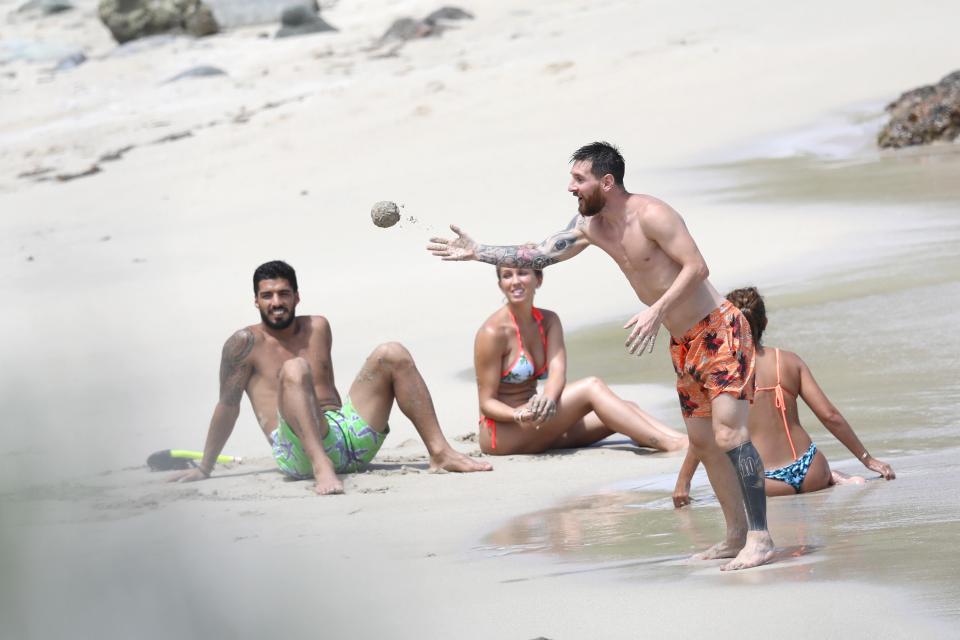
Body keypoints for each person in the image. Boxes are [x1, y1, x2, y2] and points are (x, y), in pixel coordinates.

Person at [428, 141, 774, 570]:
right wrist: (477, 252)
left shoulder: (651, 214)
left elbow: (697, 267)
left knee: (728, 436)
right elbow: (538, 253)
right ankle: (735, 535)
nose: (571, 188)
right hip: (682, 341)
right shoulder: (590, 226)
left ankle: (760, 537)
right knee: (703, 442)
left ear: (606, 182)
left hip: (719, 330)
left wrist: (656, 310)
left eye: (579, 179)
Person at [169, 260, 491, 495]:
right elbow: (228, 406)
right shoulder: (243, 344)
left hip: (347, 437)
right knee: (296, 369)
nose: (276, 302)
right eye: (267, 296)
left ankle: (440, 452)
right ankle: (322, 466)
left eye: (283, 293)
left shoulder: (318, 327)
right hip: (300, 456)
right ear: (256, 301)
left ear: (297, 296)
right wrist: (205, 467)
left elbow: (328, 392)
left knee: (392, 351)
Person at [672, 287, 895, 506]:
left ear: (727, 327)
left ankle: (835, 479)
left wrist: (683, 482)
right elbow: (830, 416)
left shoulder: (723, 373)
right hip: (811, 469)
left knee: (725, 491)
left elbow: (702, 437)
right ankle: (836, 478)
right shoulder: (787, 360)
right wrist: (867, 459)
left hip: (767, 481)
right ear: (765, 323)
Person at [475, 264, 689, 454]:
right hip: (503, 434)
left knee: (624, 409)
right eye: (507, 276)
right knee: (591, 387)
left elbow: (558, 373)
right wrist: (518, 414)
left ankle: (685, 442)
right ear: (500, 284)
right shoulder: (493, 333)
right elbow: (487, 402)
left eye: (522, 273)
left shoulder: (548, 321)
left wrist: (548, 399)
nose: (515, 281)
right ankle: (670, 445)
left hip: (539, 420)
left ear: (538, 279)